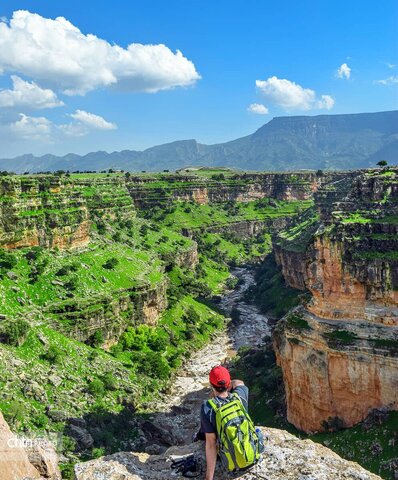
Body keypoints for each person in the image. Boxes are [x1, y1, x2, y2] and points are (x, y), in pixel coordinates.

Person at [199, 365, 250, 480]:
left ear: (211, 385)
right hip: (249, 451)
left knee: (202, 436)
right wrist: (229, 382)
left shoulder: (208, 407)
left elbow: (211, 444)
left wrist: (209, 478)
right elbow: (240, 382)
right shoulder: (240, 396)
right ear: (228, 384)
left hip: (228, 456)